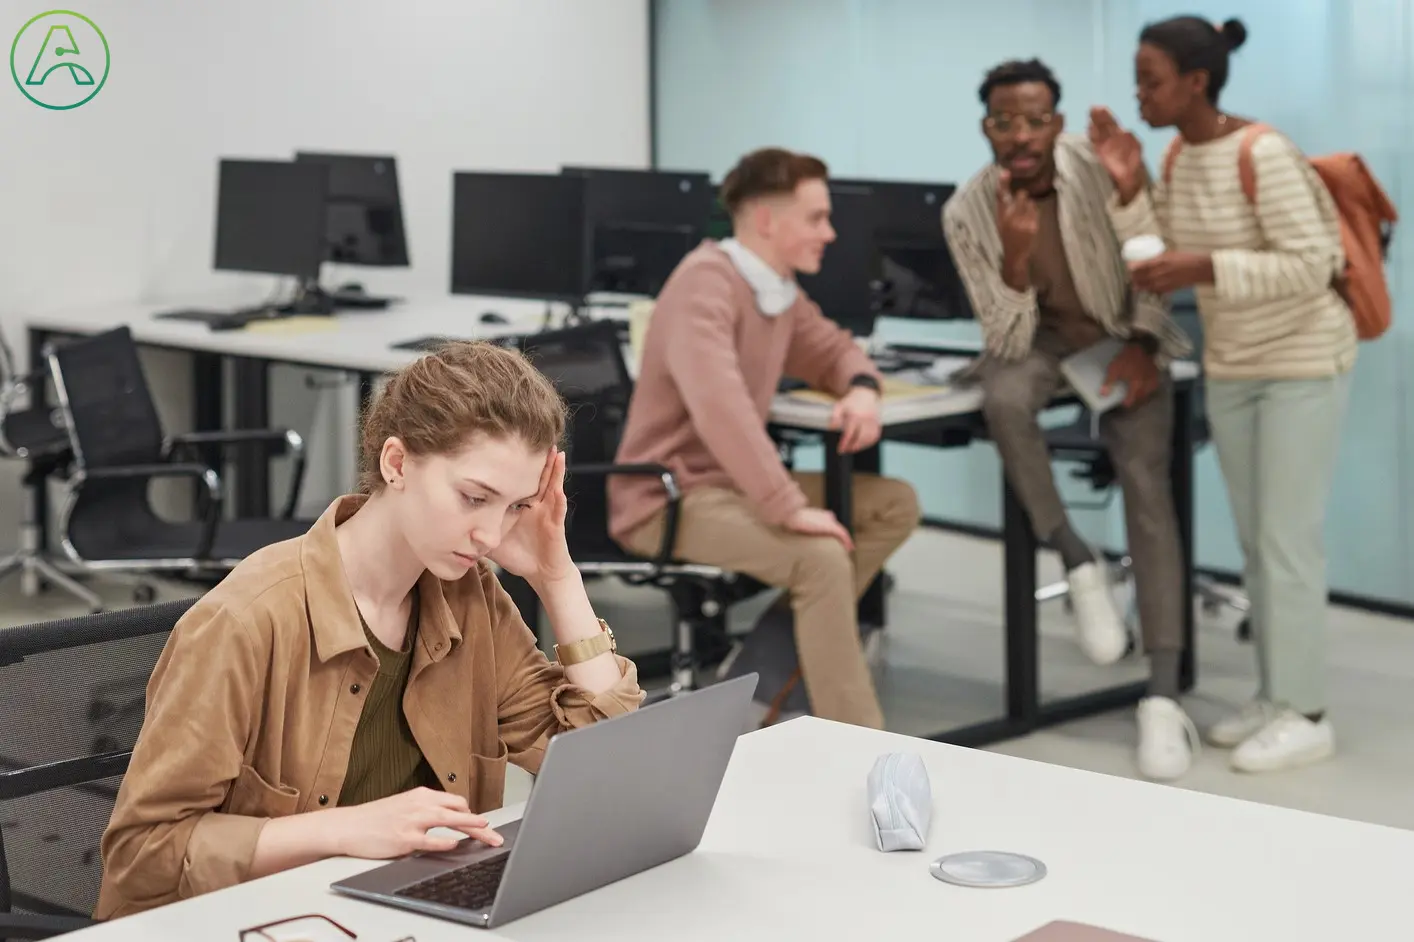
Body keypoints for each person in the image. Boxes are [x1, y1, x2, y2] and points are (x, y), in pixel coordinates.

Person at [95, 342, 644, 919]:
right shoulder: (246, 621)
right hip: (261, 920)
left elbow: (605, 766)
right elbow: (141, 853)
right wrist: (343, 829)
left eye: (514, 507)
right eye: (474, 498)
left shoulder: (469, 595)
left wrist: (557, 577)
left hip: (399, 912)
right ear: (397, 464)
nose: (489, 534)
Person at [1089, 16, 1352, 774]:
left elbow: (1314, 262)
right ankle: (1277, 695)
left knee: (1286, 542)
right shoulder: (1180, 152)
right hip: (1235, 365)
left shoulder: (1261, 152)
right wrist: (1129, 184)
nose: (1138, 92)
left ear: (1196, 81)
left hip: (1302, 361)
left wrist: (1204, 269)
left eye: (1151, 79)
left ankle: (1308, 713)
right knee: (1257, 543)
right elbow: (1161, 246)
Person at [943, 58, 1198, 781]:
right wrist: (1017, 262)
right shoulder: (966, 210)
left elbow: (1157, 259)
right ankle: (1077, 558)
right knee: (1003, 398)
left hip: (1123, 332)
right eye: (1004, 121)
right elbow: (1006, 338)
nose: (1020, 135)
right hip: (1043, 340)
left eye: (1035, 119)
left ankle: (1161, 694)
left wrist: (1147, 345)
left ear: (1056, 121)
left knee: (1147, 488)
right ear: (986, 126)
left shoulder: (1102, 165)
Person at [608, 146, 921, 731]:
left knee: (894, 503)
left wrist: (860, 388)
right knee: (821, 557)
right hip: (667, 497)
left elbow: (835, 349)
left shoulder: (776, 292)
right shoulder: (706, 284)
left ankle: (770, 654)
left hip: (727, 486)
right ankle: (865, 748)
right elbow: (721, 411)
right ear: (767, 220)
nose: (829, 234)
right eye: (817, 218)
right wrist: (789, 508)